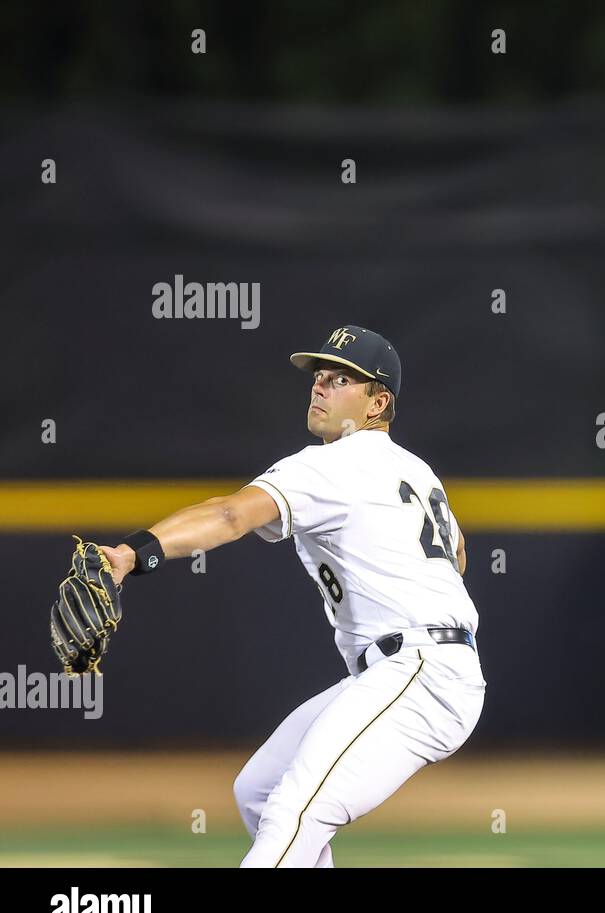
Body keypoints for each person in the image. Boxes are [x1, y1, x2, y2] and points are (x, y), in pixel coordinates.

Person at [95, 325, 485, 867]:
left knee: (295, 815)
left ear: (379, 401)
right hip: (414, 666)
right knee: (259, 790)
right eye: (318, 377)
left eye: (340, 379)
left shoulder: (332, 463)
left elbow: (231, 514)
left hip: (418, 673)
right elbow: (458, 555)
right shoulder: (415, 469)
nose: (319, 387)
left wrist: (136, 553)